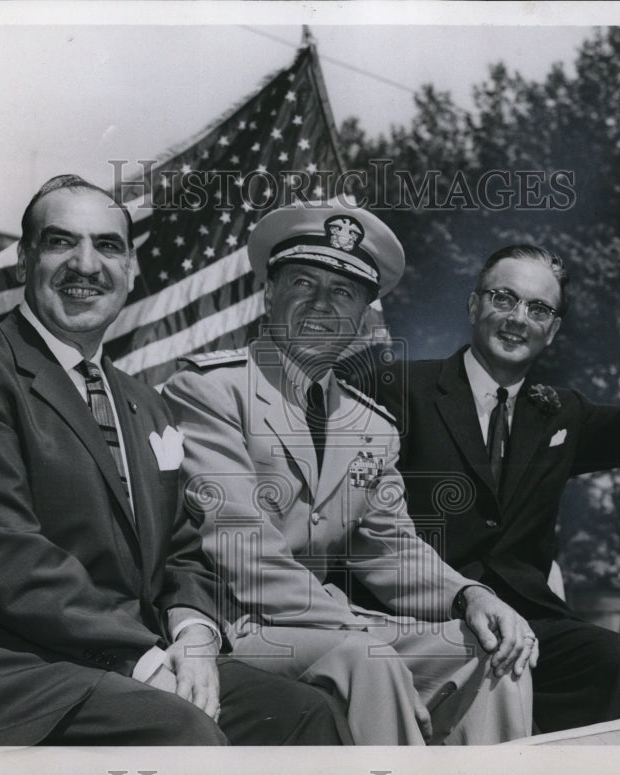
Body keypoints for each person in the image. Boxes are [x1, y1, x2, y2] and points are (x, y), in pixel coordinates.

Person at [0, 175, 344, 746]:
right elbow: (0, 554)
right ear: (24, 261)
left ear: (131, 268)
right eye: (60, 242)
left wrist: (193, 634)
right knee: (181, 731)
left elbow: (180, 551)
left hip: (122, 665)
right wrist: (145, 659)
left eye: (108, 246)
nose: (86, 264)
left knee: (301, 712)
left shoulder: (145, 403)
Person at [163, 199, 534, 746]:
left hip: (333, 629)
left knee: (494, 655)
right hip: (236, 629)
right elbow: (241, 549)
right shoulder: (210, 390)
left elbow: (391, 551)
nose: (321, 305)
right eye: (303, 283)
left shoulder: (372, 424)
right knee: (367, 655)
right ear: (269, 293)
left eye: (342, 292)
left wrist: (470, 597)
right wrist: (359, 623)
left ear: (362, 314)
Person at [358, 236, 620, 733]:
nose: (518, 318)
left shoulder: (560, 412)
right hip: (425, 618)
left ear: (551, 330)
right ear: (474, 304)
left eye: (538, 309)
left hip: (532, 625)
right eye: (503, 298)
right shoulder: (398, 389)